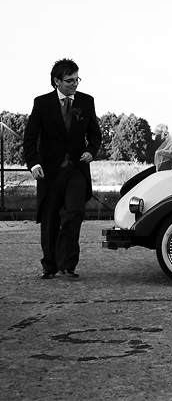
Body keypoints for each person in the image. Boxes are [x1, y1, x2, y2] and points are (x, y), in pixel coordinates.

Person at [23, 58, 102, 280]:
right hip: (50, 171)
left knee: (74, 214)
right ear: (57, 81)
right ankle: (49, 266)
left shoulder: (86, 101)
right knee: (50, 219)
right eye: (69, 80)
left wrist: (91, 151)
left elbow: (95, 134)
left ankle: (68, 265)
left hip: (77, 169)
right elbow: (30, 138)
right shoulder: (42, 103)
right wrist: (34, 164)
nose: (75, 84)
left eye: (77, 79)